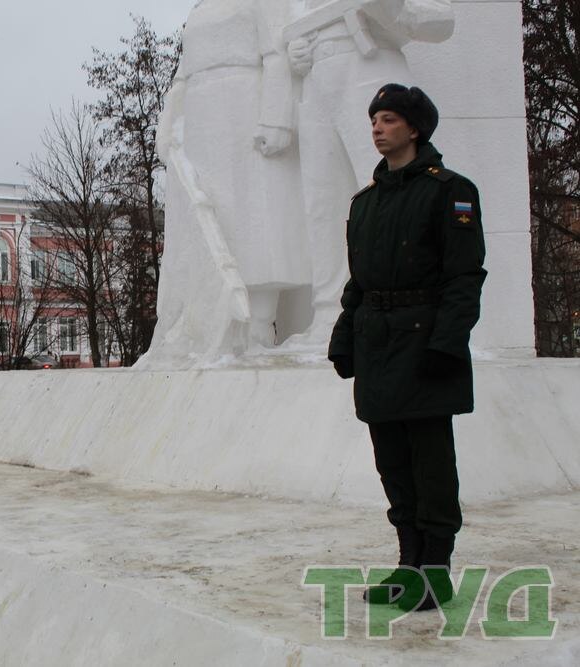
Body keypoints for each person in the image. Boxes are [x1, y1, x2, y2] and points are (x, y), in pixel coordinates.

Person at [328, 84, 486, 612]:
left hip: (424, 344)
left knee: (431, 463)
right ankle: (407, 564)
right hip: (377, 343)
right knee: (392, 461)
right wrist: (344, 335)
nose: (377, 127)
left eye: (390, 119)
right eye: (374, 118)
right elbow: (358, 283)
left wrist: (447, 343)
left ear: (414, 129)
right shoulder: (365, 203)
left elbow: (464, 277)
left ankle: (435, 569)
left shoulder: (450, 192)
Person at [138, 0, 309, 369]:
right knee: (211, 219)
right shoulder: (200, 10)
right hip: (203, 117)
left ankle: (259, 324)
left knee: (255, 217)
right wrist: (168, 122)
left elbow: (277, 54)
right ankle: (212, 320)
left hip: (245, 106)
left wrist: (276, 118)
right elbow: (183, 74)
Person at [284, 0, 455, 346]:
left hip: (369, 65)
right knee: (322, 202)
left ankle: (395, 311)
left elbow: (441, 19)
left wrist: (390, 9)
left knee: (389, 192)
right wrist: (297, 51)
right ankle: (328, 313)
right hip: (316, 79)